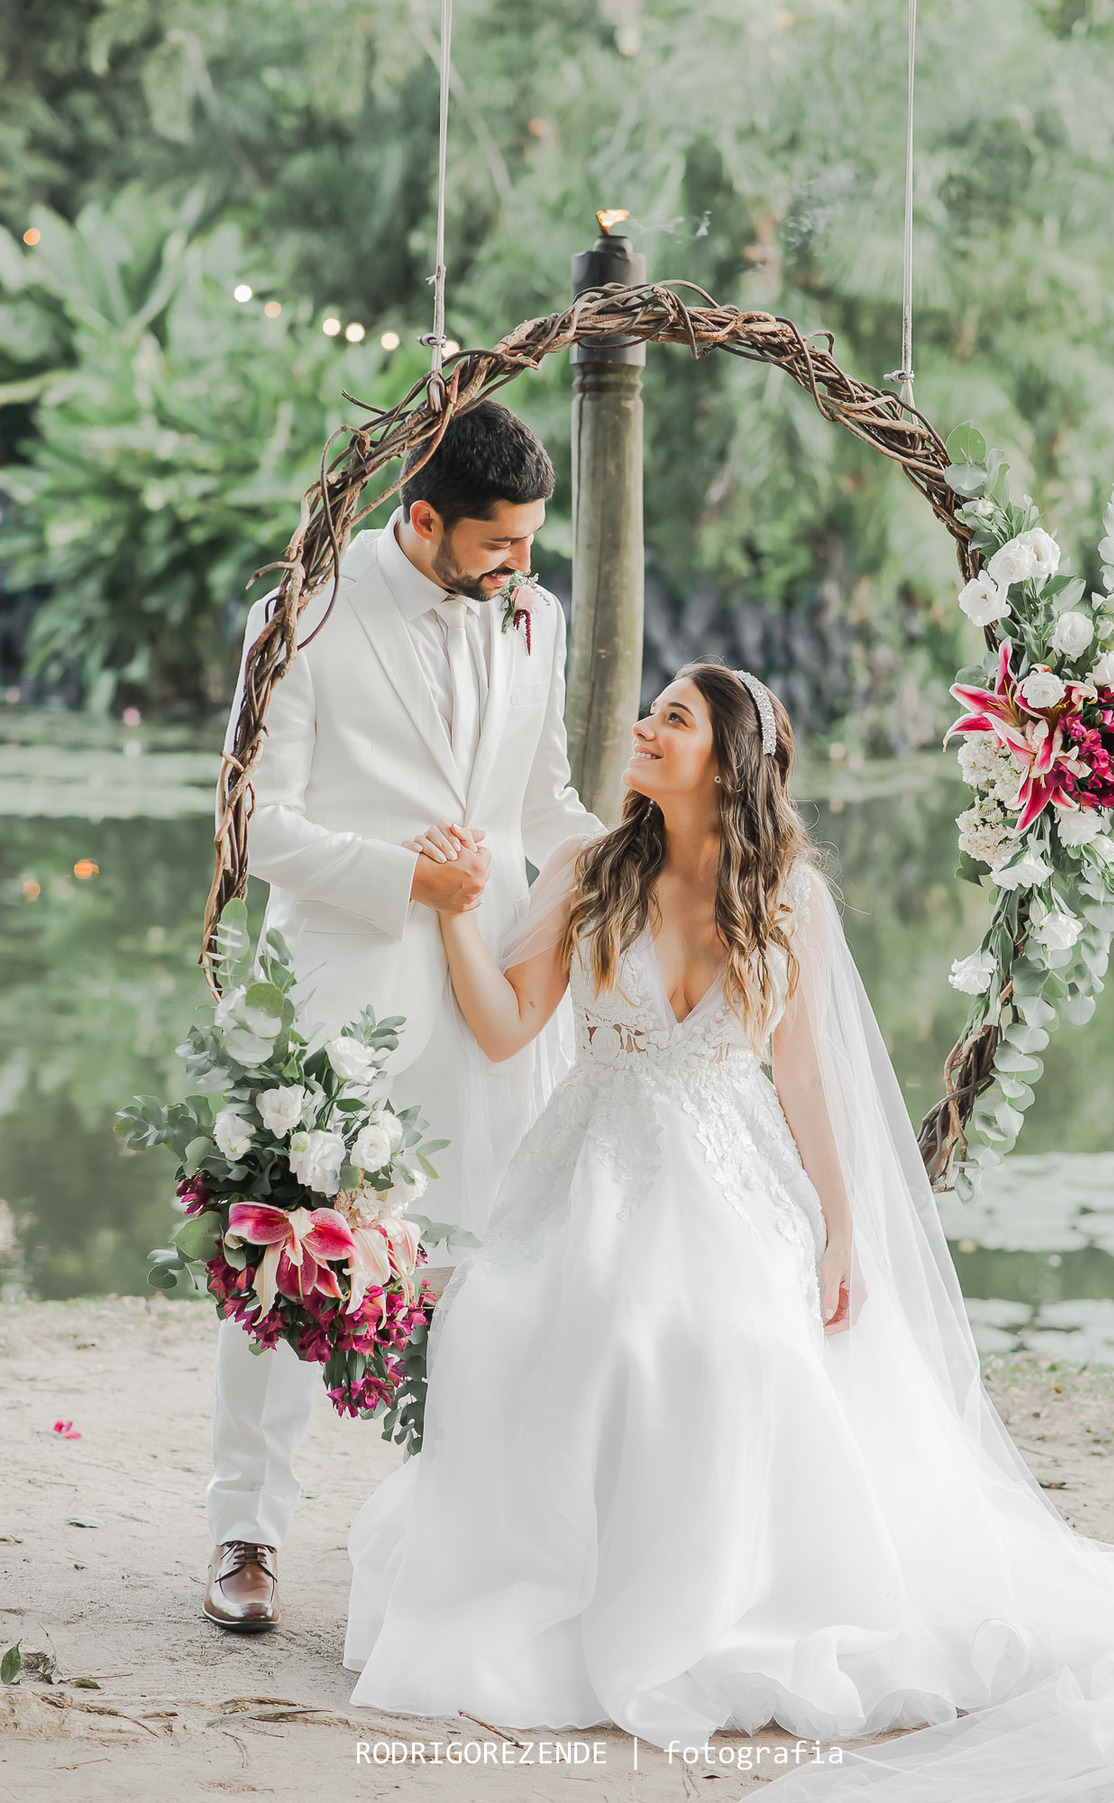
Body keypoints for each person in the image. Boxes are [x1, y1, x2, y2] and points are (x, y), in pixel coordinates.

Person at [343, 664, 1114, 1802]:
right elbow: (506, 1032)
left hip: (733, 1170)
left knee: (737, 1337)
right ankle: (570, 1592)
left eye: (674, 719)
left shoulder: (785, 893)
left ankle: (732, 1598)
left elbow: (802, 1078)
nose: (644, 729)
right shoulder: (584, 871)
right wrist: (456, 917)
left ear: (728, 757)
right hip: (589, 1164)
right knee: (544, 1318)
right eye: (649, 713)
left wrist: (841, 1228)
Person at [203, 400, 603, 1632]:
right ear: (419, 517)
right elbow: (254, 823)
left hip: (497, 984)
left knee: (490, 1254)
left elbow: (544, 804)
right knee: (291, 1257)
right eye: (496, 546)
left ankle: (466, 1530)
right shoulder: (302, 620)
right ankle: (246, 1533)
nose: (519, 571)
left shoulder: (539, 617)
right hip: (344, 986)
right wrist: (403, 881)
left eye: (531, 544)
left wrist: (650, 873)